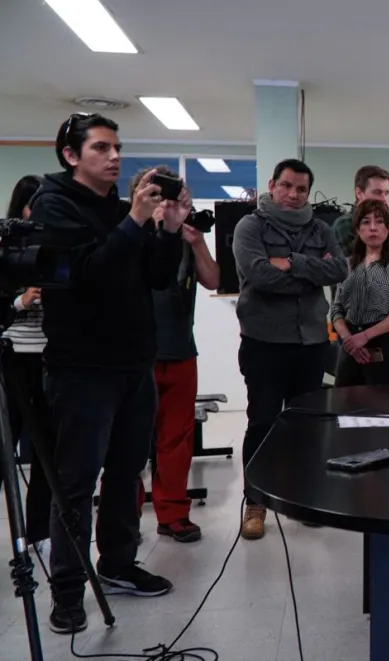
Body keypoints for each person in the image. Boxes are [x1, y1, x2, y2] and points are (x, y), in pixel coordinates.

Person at [30, 113, 183, 634]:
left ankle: (117, 564)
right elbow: (87, 274)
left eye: (117, 147)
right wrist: (135, 221)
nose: (114, 156)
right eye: (101, 148)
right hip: (81, 370)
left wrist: (168, 228)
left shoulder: (123, 210)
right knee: (75, 483)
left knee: (126, 474)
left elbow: (158, 278)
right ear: (71, 156)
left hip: (133, 364)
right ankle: (68, 591)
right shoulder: (54, 204)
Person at [233, 158, 348, 541]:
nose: (293, 194)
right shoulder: (250, 226)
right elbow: (258, 275)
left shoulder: (321, 228)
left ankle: (303, 498)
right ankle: (255, 504)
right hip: (264, 342)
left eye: (301, 188)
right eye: (286, 186)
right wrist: (309, 271)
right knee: (263, 423)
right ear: (272, 185)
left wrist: (292, 263)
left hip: (311, 343)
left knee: (305, 426)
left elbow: (339, 271)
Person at [131, 166, 220, 544]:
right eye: (156, 194)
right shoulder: (128, 235)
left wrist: (197, 241)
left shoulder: (185, 236)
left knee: (177, 439)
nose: (165, 203)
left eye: (172, 196)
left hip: (181, 351)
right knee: (130, 442)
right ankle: (125, 520)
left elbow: (214, 280)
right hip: (135, 356)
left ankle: (173, 514)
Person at [0, 174, 54, 551]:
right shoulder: (6, 252)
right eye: (33, 203)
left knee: (48, 454)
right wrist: (21, 302)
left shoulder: (55, 248)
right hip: (13, 358)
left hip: (52, 359)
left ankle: (40, 532)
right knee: (3, 448)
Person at [332, 199, 389, 385]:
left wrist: (365, 336)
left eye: (379, 221)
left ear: (388, 228)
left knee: (382, 410)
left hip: (383, 349)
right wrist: (349, 340)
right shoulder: (347, 264)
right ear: (357, 229)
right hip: (350, 349)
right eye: (365, 222)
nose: (372, 228)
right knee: (344, 408)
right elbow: (337, 309)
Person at [330, 165, 389, 256]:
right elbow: (357, 265)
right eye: (377, 193)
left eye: (386, 193)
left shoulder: (383, 222)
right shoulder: (344, 224)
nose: (384, 199)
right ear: (358, 193)